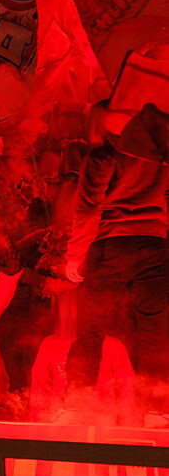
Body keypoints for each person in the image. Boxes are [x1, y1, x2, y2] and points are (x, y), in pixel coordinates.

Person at [65, 100, 169, 387]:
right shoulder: (160, 156)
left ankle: (78, 402)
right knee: (154, 332)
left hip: (111, 246)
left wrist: (75, 255)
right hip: (155, 246)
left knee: (91, 330)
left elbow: (88, 208)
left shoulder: (102, 156)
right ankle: (156, 410)